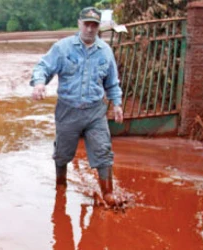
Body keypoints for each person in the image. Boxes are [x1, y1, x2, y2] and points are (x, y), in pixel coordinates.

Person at [30, 7, 124, 208]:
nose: (90, 29)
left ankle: (108, 193)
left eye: (94, 25)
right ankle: (61, 185)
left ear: (99, 28)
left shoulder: (105, 52)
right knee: (63, 153)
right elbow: (43, 67)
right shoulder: (63, 48)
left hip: (95, 111)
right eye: (87, 24)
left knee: (103, 150)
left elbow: (112, 82)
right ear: (79, 24)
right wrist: (39, 84)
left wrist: (117, 104)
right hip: (68, 110)